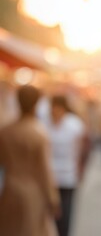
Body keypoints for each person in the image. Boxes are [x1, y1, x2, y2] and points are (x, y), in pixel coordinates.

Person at [0, 85, 60, 236]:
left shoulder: (5, 131)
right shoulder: (39, 133)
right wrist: (53, 198)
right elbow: (45, 170)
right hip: (33, 192)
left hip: (9, 189)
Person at [44, 95, 88, 236]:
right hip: (49, 176)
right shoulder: (44, 124)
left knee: (66, 213)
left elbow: (82, 149)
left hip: (68, 175)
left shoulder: (75, 125)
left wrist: (80, 169)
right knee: (50, 214)